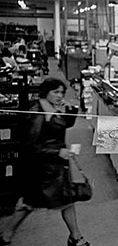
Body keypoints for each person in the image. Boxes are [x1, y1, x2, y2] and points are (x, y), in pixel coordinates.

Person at [0, 78, 90, 246]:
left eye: (62, 92)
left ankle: (76, 237)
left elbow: (63, 125)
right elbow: (31, 146)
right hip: (41, 169)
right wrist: (57, 152)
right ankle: (6, 233)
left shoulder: (52, 108)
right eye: (55, 92)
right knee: (28, 204)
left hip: (55, 168)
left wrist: (71, 110)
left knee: (66, 201)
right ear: (45, 92)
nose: (59, 96)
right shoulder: (38, 113)